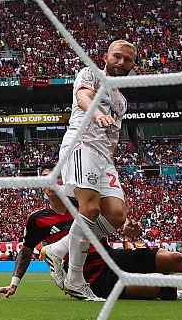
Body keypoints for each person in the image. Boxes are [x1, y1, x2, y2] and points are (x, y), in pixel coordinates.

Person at [0, 186, 182, 301]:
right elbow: (27, 251)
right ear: (45, 188)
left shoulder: (87, 204)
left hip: (112, 257)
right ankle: (178, 295)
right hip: (91, 280)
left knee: (171, 258)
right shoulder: (38, 220)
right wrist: (14, 283)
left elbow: (116, 223)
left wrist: (128, 228)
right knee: (159, 284)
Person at [41, 40, 137, 301]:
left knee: (116, 216)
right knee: (91, 209)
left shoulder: (122, 101)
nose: (120, 63)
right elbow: (83, 96)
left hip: (104, 156)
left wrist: (109, 160)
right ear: (106, 56)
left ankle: (58, 249)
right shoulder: (89, 73)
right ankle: (75, 279)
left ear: (132, 65)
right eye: (116, 56)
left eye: (127, 60)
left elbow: (113, 135)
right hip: (82, 144)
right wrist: (95, 114)